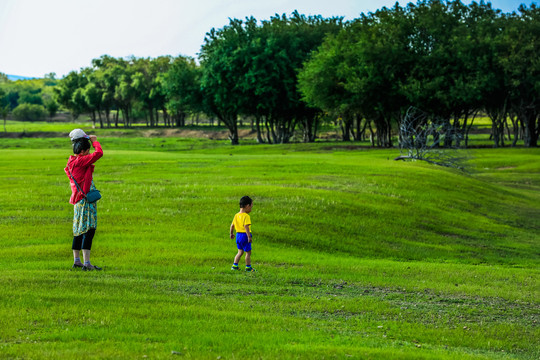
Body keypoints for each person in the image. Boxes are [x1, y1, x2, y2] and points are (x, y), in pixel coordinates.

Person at [64, 129, 103, 271]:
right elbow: (99, 153)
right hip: (85, 201)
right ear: (81, 151)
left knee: (78, 230)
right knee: (89, 229)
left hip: (78, 200)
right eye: (87, 150)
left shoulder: (71, 161)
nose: (89, 153)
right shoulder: (81, 161)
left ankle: (77, 261)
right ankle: (87, 264)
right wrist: (94, 141)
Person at [230, 196, 255, 272]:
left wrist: (231, 233)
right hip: (244, 235)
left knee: (240, 252)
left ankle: (235, 266)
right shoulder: (246, 216)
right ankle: (248, 267)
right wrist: (249, 236)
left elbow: (232, 225)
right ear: (247, 205)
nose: (251, 208)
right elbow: (246, 226)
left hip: (238, 235)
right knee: (248, 252)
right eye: (251, 206)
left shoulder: (236, 215)